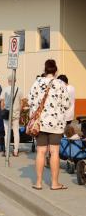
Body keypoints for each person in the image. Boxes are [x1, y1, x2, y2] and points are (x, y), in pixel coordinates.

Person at [28, 59, 70, 190]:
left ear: (45, 70)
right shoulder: (61, 84)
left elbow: (30, 101)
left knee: (41, 151)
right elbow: (66, 104)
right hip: (56, 123)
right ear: (56, 71)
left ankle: (39, 183)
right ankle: (55, 183)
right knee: (54, 152)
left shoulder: (37, 82)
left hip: (40, 123)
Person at [0, 75, 23, 157]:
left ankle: (6, 151)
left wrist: (2, 110)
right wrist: (19, 112)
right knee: (16, 132)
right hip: (16, 114)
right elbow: (21, 103)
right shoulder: (19, 90)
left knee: (7, 132)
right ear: (15, 81)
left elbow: (2, 102)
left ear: (8, 81)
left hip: (7, 113)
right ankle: (16, 151)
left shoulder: (5, 89)